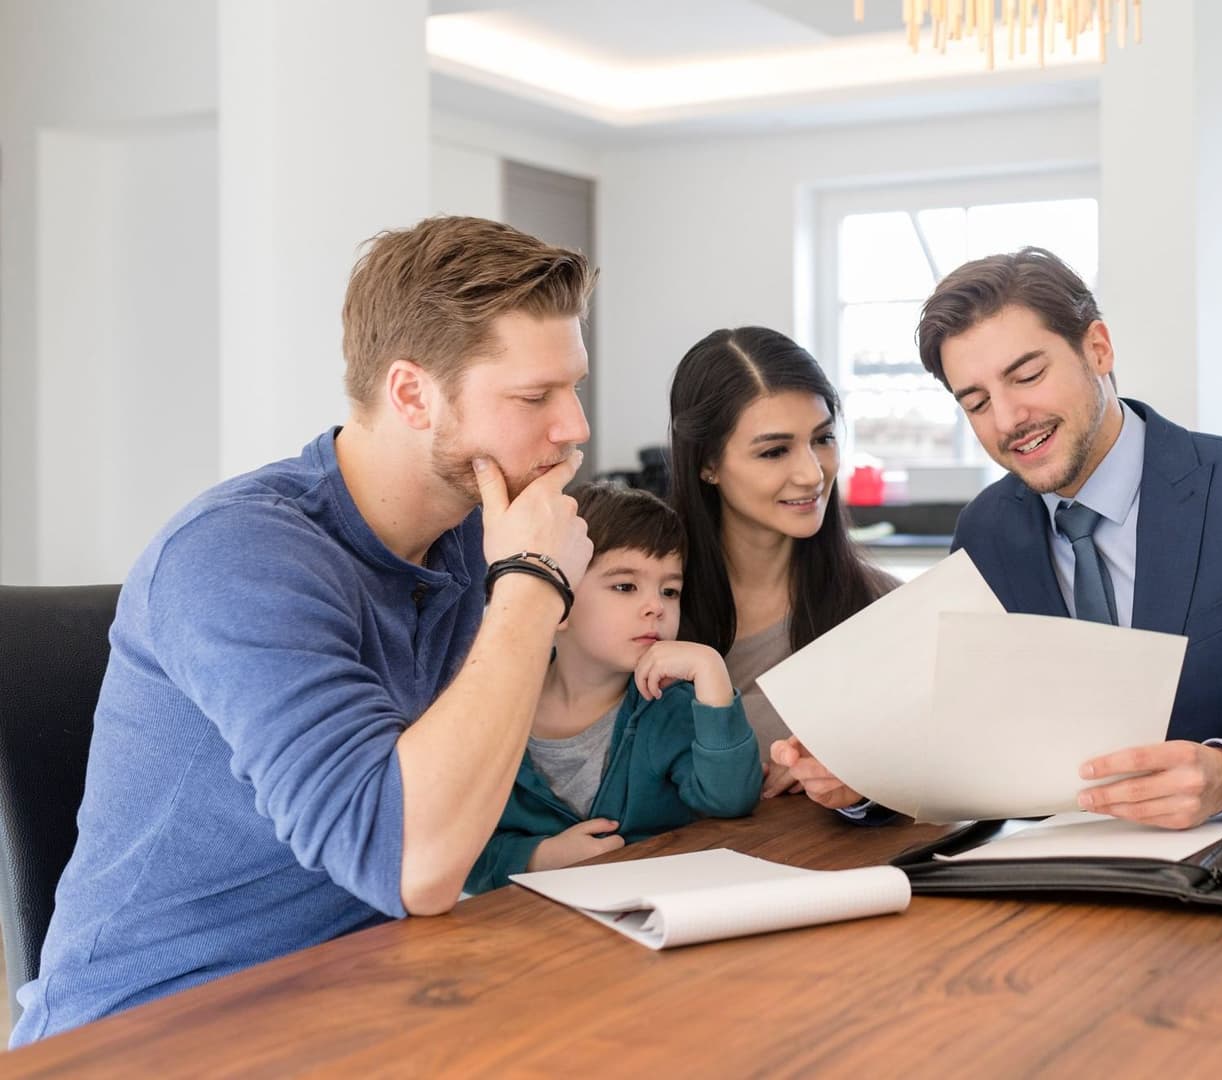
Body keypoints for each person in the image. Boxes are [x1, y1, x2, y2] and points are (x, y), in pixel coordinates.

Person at [14, 216, 597, 1043]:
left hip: (358, 987)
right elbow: (410, 862)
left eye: (574, 387)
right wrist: (533, 590)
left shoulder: (477, 533)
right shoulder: (237, 555)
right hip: (149, 1031)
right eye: (535, 397)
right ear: (410, 393)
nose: (573, 426)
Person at [773, 247, 1222, 829]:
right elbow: (969, 755)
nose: (1009, 419)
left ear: (1097, 348)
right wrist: (866, 778)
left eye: (1028, 375)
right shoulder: (988, 530)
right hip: (1065, 895)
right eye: (976, 402)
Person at [463, 484, 761, 893]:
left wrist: (711, 673)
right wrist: (539, 858)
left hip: (648, 916)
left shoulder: (669, 705)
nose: (656, 606)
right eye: (625, 586)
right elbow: (459, 849)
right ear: (557, 600)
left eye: (670, 590)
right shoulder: (489, 710)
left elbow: (730, 800)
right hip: (527, 931)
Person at [667, 327, 896, 798]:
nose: (812, 474)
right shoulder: (641, 606)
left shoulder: (885, 609)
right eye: (775, 451)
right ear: (707, 464)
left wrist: (860, 776)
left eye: (823, 439)